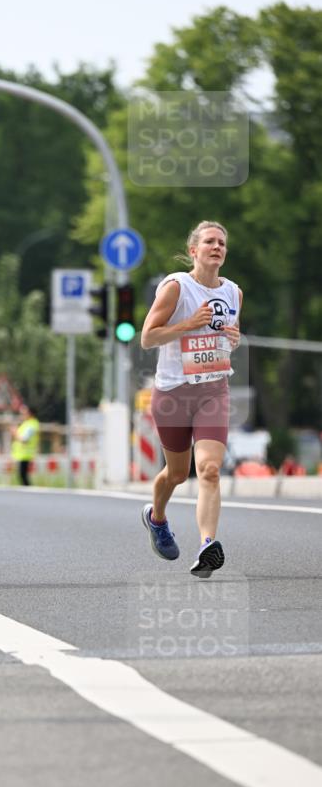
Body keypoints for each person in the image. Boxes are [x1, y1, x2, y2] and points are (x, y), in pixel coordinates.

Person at [140, 221, 242, 578]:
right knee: (178, 473)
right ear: (194, 250)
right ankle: (157, 518)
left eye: (222, 243)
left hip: (213, 390)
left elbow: (223, 338)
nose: (217, 247)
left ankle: (207, 545)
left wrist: (233, 339)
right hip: (172, 394)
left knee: (210, 470)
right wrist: (188, 324)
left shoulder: (234, 293)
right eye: (210, 242)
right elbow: (148, 337)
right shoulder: (176, 287)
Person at [11, 403, 40, 486]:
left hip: (25, 454)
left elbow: (24, 439)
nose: (22, 415)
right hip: (22, 454)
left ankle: (29, 492)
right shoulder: (27, 424)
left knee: (23, 475)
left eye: (24, 413)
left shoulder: (31, 425)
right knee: (22, 476)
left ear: (30, 413)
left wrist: (15, 432)